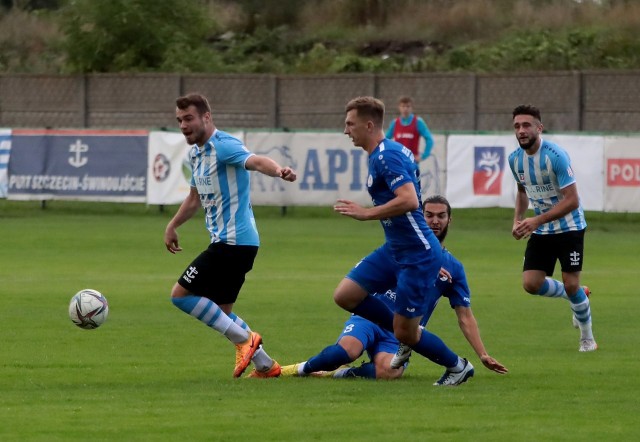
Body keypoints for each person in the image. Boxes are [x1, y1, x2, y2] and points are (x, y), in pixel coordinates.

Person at [281, 195, 508, 380]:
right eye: (428, 215)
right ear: (420, 217)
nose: (435, 221)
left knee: (389, 372)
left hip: (401, 333)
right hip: (371, 316)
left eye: (441, 216)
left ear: (450, 220)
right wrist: (425, 266)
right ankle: (295, 369)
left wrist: (483, 354)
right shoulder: (401, 249)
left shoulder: (455, 269)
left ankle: (339, 374)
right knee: (346, 351)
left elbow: (465, 316)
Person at [333, 96, 474, 386]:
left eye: (350, 124)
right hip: (395, 249)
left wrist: (366, 213)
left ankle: (458, 366)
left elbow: (410, 200)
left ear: (368, 124)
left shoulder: (388, 155)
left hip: (418, 254)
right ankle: (400, 330)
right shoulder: (383, 153)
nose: (346, 130)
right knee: (345, 295)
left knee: (406, 332)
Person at [165, 93, 297, 378]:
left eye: (189, 118)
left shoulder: (224, 146)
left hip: (233, 242)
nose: (183, 125)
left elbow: (256, 161)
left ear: (206, 117)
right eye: (179, 120)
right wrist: (173, 225)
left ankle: (245, 341)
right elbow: (193, 199)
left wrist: (279, 171)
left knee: (180, 295)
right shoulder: (197, 154)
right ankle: (265, 365)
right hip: (234, 243)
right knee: (222, 312)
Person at [509, 104, 596, 352]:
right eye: (517, 126)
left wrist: (535, 220)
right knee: (531, 284)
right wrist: (518, 219)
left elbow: (573, 200)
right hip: (543, 230)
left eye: (526, 125)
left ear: (539, 127)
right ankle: (578, 294)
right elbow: (522, 192)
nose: (521, 130)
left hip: (570, 228)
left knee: (570, 283)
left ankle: (587, 338)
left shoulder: (555, 156)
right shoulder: (515, 159)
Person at [385, 96, 435, 165]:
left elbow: (429, 139)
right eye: (403, 106)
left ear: (412, 108)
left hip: (412, 164)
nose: (405, 109)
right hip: (398, 163)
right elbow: (385, 140)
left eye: (408, 106)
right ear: (399, 107)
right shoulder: (395, 123)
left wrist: (423, 156)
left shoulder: (418, 122)